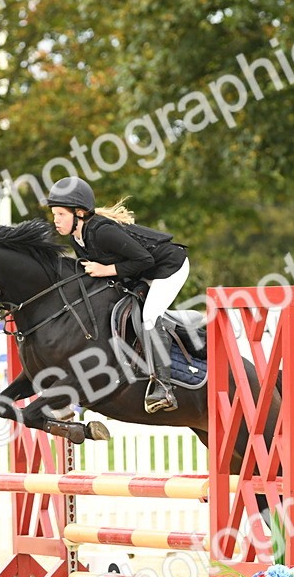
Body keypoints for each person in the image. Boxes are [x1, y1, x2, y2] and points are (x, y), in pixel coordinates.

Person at [44, 176, 190, 413]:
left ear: (79, 213)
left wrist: (105, 270)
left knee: (150, 316)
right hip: (140, 272)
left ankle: (164, 388)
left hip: (169, 266)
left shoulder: (102, 232)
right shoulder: (77, 237)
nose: (55, 220)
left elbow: (145, 259)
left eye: (60, 214)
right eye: (54, 214)